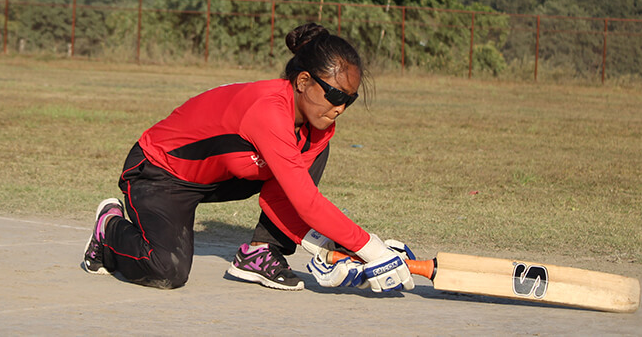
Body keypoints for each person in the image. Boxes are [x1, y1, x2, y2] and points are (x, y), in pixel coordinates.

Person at [81, 23, 415, 292]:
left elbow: (284, 196)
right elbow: (307, 202)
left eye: (350, 100)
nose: (340, 107)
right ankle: (108, 229)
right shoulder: (268, 111)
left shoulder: (319, 127)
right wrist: (373, 250)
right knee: (167, 271)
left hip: (224, 175)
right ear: (303, 81)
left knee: (309, 158)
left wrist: (332, 250)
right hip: (160, 171)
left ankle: (260, 253)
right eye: (335, 95)